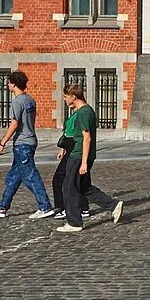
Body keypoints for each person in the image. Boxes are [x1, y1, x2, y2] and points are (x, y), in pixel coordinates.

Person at [52, 82, 122, 233]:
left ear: (73, 96)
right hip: (79, 154)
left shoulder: (83, 112)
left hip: (78, 155)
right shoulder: (85, 110)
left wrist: (83, 162)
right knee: (84, 187)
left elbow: (86, 138)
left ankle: (74, 222)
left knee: (68, 187)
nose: (64, 99)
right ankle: (113, 205)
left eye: (65, 96)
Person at [0, 70, 54, 220]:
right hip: (30, 140)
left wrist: (2, 143)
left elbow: (15, 123)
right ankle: (2, 206)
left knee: (31, 175)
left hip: (23, 143)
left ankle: (45, 206)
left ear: (14, 84)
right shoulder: (30, 99)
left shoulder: (17, 101)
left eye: (9, 82)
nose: (8, 85)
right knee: (14, 177)